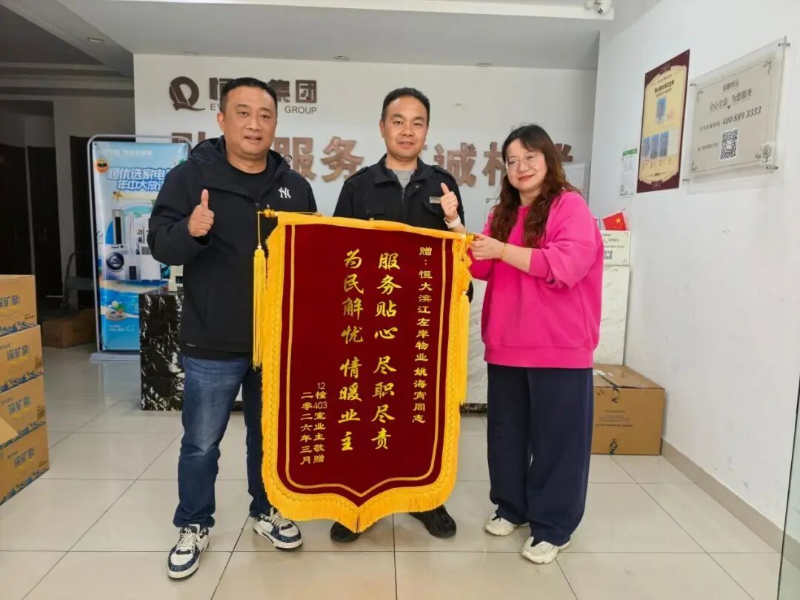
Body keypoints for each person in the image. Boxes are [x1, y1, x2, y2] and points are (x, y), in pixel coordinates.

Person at [148, 77, 316, 580]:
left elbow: (312, 259)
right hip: (212, 339)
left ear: (276, 124)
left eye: (265, 115)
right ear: (221, 120)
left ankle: (266, 510)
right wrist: (189, 231)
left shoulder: (294, 187)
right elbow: (160, 243)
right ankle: (194, 523)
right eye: (243, 113)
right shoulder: (190, 177)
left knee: (269, 438)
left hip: (275, 341)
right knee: (201, 442)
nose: (254, 124)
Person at [331, 87, 465, 543]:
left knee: (420, 413)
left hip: (423, 325)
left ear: (427, 131)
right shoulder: (358, 186)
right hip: (368, 326)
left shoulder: (443, 185)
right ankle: (360, 501)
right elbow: (337, 256)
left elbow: (457, 256)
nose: (407, 131)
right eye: (398, 121)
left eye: (417, 122)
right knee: (364, 411)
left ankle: (426, 499)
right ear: (382, 127)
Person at [469, 124, 602, 565]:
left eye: (530, 157)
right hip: (506, 342)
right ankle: (512, 507)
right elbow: (479, 266)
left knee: (557, 441)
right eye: (512, 160)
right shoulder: (503, 213)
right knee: (507, 434)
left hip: (559, 346)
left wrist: (501, 251)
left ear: (548, 160)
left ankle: (553, 526)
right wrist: (455, 226)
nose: (521, 167)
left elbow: (566, 264)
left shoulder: (570, 206)